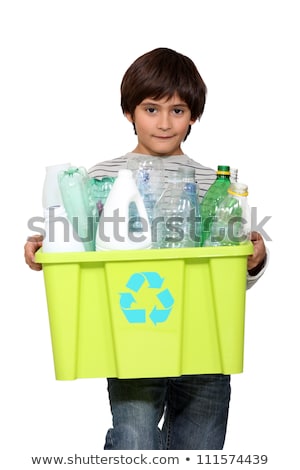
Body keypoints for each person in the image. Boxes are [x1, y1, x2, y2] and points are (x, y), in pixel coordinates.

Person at [24, 47, 268, 449]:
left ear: (193, 116)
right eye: (151, 109)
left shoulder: (213, 184)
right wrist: (46, 247)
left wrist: (254, 258)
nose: (164, 123)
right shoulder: (99, 177)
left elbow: (229, 268)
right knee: (134, 444)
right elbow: (81, 242)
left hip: (205, 340)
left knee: (199, 452)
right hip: (131, 337)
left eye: (177, 110)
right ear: (129, 113)